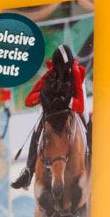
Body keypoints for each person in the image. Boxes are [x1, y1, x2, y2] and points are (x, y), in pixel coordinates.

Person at [11, 43, 86, 190]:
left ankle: (93, 160)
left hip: (72, 106)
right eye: (62, 67)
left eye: (67, 67)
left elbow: (81, 106)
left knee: (87, 122)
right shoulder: (50, 74)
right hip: (53, 109)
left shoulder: (75, 72)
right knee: (37, 129)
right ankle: (28, 171)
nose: (66, 70)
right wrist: (45, 95)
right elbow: (28, 100)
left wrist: (68, 100)